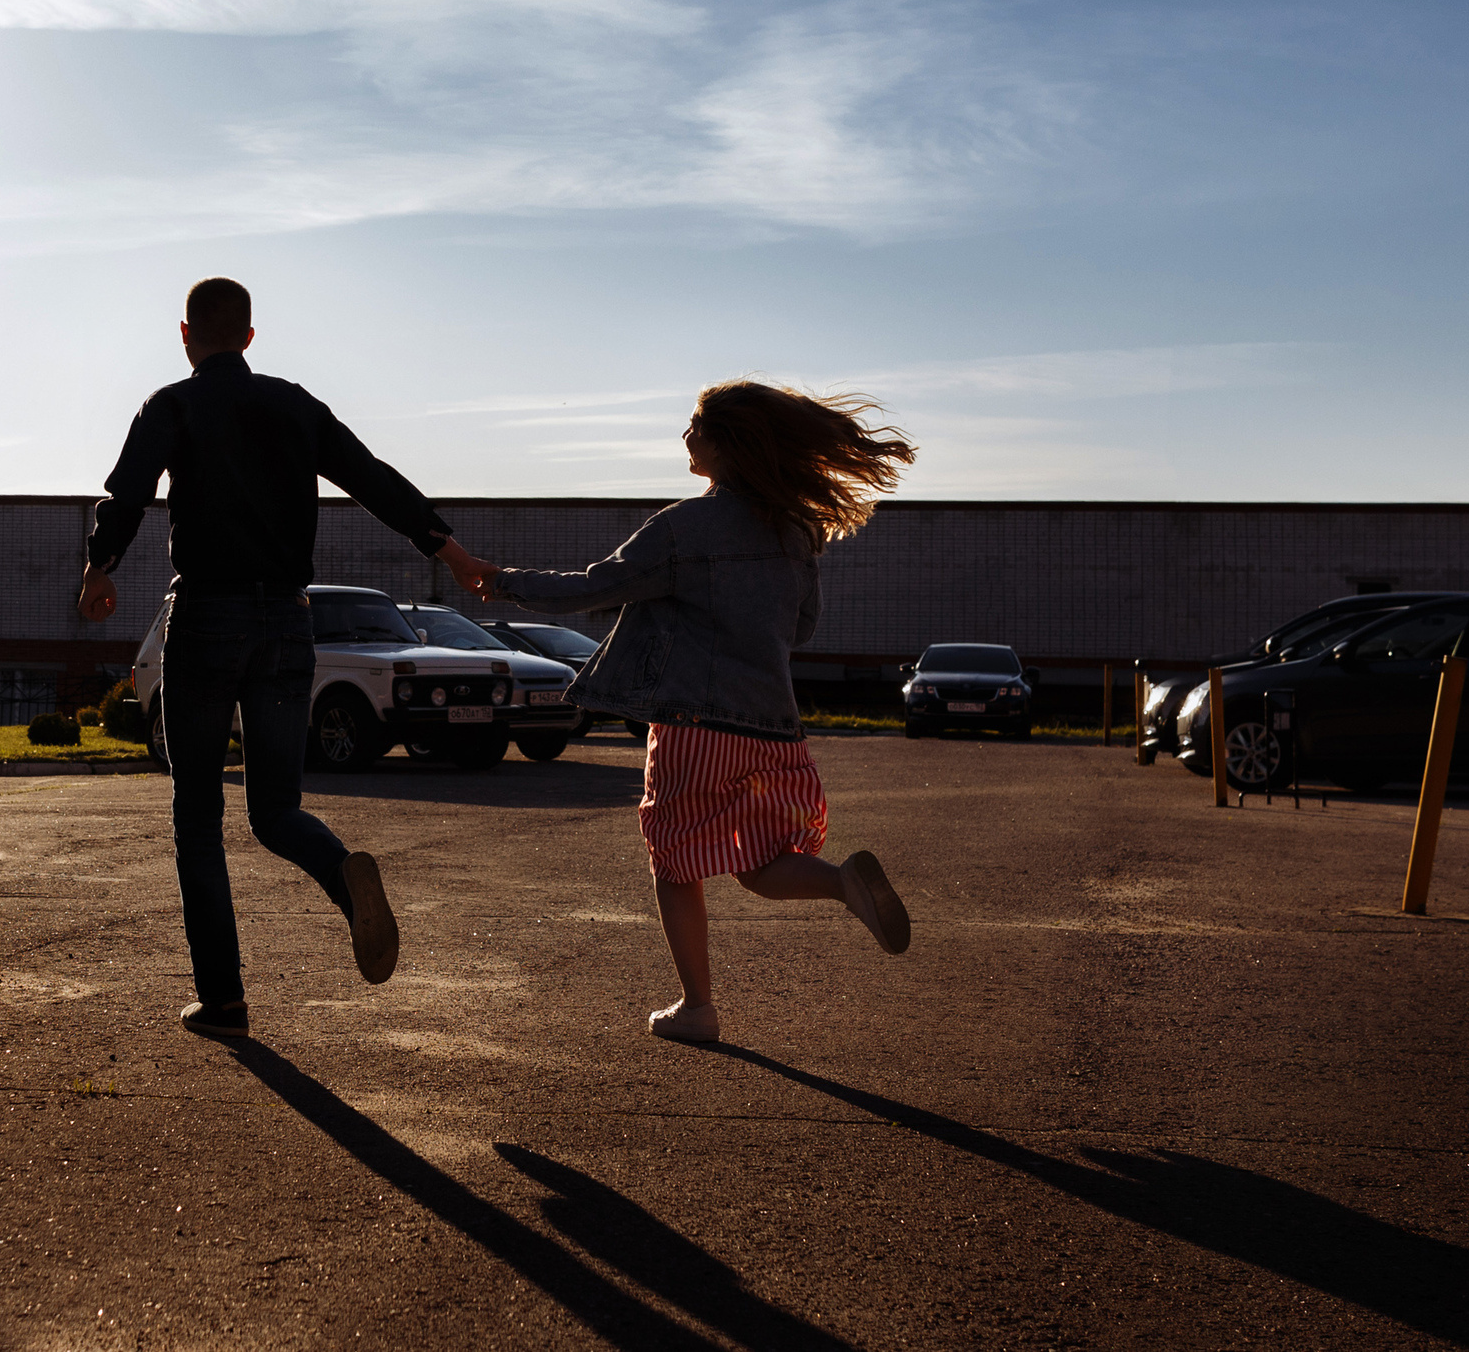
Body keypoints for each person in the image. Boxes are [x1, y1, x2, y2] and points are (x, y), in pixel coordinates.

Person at [80, 277, 491, 1039]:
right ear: (249, 336)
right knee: (275, 809)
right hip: (288, 622)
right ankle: (341, 873)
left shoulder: (171, 404)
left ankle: (225, 999)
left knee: (197, 811)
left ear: (185, 334)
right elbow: (372, 479)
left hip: (207, 619)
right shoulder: (295, 404)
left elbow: (129, 491)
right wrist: (452, 550)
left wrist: (99, 565)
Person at [447, 381, 919, 1043]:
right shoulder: (795, 530)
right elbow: (802, 627)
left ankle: (698, 1008)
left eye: (696, 425)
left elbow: (591, 589)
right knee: (759, 861)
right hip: (774, 728)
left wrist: (497, 578)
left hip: (694, 724)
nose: (686, 437)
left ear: (727, 443)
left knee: (675, 863)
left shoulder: (681, 528)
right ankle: (843, 883)